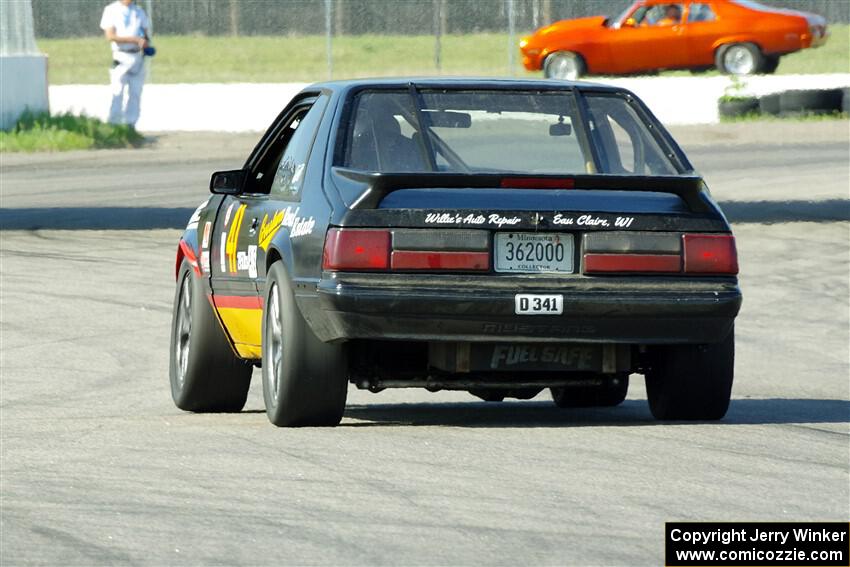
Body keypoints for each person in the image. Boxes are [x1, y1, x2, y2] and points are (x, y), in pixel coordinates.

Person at [100, 0, 151, 128]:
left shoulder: (139, 12)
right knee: (117, 90)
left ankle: (130, 124)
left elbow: (145, 34)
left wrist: (144, 43)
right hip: (121, 55)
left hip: (136, 56)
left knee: (135, 93)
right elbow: (110, 35)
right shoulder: (111, 10)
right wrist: (133, 39)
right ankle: (115, 124)